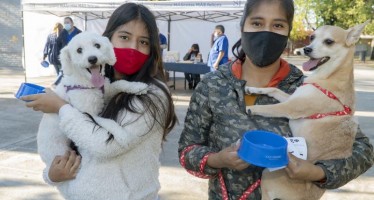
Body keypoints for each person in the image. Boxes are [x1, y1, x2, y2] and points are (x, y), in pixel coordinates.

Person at [178, 0, 374, 199]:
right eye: (257, 23)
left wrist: (319, 173)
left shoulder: (309, 88)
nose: (266, 32)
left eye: (278, 25)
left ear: (288, 32)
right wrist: (216, 159)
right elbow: (187, 151)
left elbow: (363, 152)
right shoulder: (213, 85)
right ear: (242, 26)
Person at [23, 3, 177, 199]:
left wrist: (61, 107)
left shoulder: (152, 93)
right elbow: (65, 145)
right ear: (108, 39)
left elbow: (105, 146)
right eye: (124, 37)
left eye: (144, 42)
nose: (133, 48)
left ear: (152, 49)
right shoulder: (94, 83)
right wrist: (52, 176)